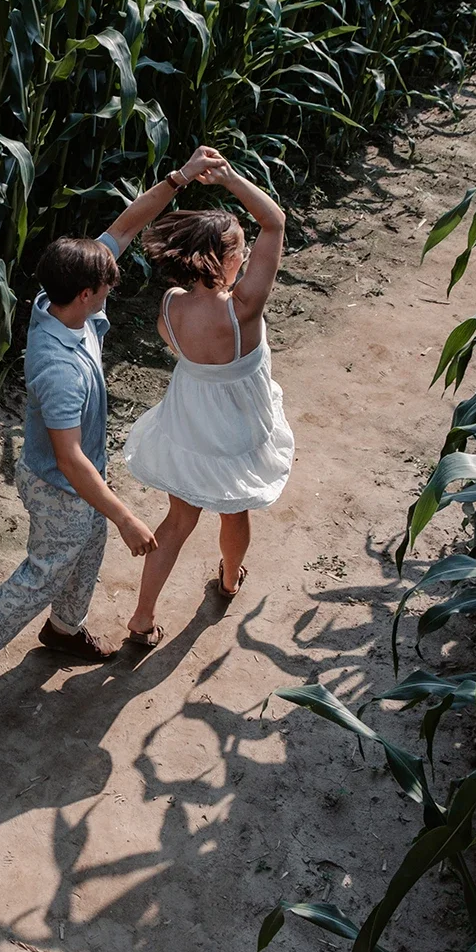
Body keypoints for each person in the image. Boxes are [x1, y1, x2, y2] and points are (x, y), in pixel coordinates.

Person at [0, 147, 230, 701]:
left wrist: (178, 179)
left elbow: (123, 225)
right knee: (45, 569)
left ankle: (63, 630)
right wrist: (126, 518)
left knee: (87, 549)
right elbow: (68, 458)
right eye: (108, 286)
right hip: (59, 483)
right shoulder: (58, 367)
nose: (114, 288)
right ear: (88, 293)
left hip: (81, 475)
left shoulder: (60, 296)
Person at [120, 149, 294, 647]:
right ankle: (229, 580)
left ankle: (141, 617)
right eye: (241, 249)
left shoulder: (171, 304)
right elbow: (275, 222)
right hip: (235, 428)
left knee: (176, 522)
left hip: (190, 423)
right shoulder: (242, 310)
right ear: (231, 261)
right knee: (234, 512)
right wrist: (233, 179)